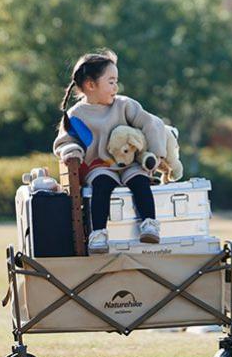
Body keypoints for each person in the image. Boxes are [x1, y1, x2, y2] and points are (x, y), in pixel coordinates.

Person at [53, 49, 168, 252]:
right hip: (100, 165)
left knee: (140, 181)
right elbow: (64, 141)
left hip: (130, 163)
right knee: (101, 185)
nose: (116, 87)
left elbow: (149, 123)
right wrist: (72, 151)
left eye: (116, 81)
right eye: (111, 81)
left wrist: (157, 154)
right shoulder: (76, 115)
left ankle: (150, 224)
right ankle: (98, 234)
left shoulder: (124, 105)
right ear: (90, 85)